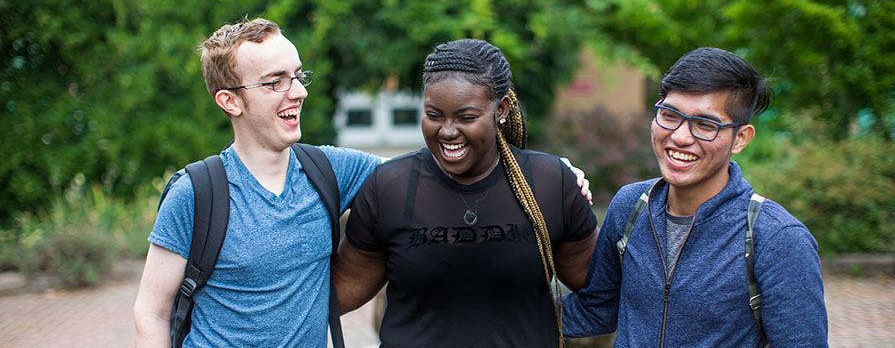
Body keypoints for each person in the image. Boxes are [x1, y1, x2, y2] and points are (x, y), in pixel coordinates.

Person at [132, 18, 383, 347]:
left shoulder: (331, 169)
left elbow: (416, 177)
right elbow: (151, 312)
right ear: (229, 101)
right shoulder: (195, 194)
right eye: (274, 82)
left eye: (297, 76)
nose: (299, 92)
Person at [333, 39, 599, 348]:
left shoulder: (551, 184)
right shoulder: (390, 187)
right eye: (434, 115)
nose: (447, 131)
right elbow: (338, 293)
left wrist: (537, 323)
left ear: (501, 109)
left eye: (466, 117)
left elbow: (602, 288)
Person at [562, 47, 828, 346]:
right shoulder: (631, 205)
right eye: (669, 115)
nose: (680, 136)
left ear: (740, 138)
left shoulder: (777, 237)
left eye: (706, 125)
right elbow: (597, 310)